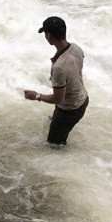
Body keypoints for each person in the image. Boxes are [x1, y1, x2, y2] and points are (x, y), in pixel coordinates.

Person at [23, 16, 89, 146]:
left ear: (49, 35)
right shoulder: (76, 48)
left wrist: (36, 96)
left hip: (69, 110)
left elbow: (59, 99)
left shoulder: (59, 68)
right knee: (55, 124)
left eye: (45, 34)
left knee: (54, 145)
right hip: (83, 99)